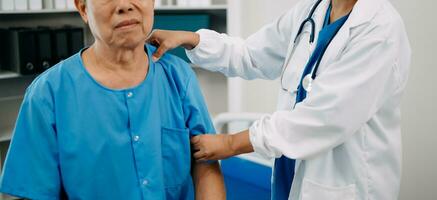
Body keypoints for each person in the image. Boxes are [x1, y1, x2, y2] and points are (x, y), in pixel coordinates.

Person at [146, 0, 411, 199]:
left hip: (347, 186)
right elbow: (250, 54)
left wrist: (230, 143)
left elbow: (324, 118)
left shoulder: (379, 28)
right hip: (292, 177)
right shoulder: (312, 12)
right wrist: (191, 39)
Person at [0, 0, 225, 199]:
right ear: (83, 8)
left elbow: (205, 164)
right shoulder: (47, 93)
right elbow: (32, 192)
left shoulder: (179, 76)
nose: (124, 5)